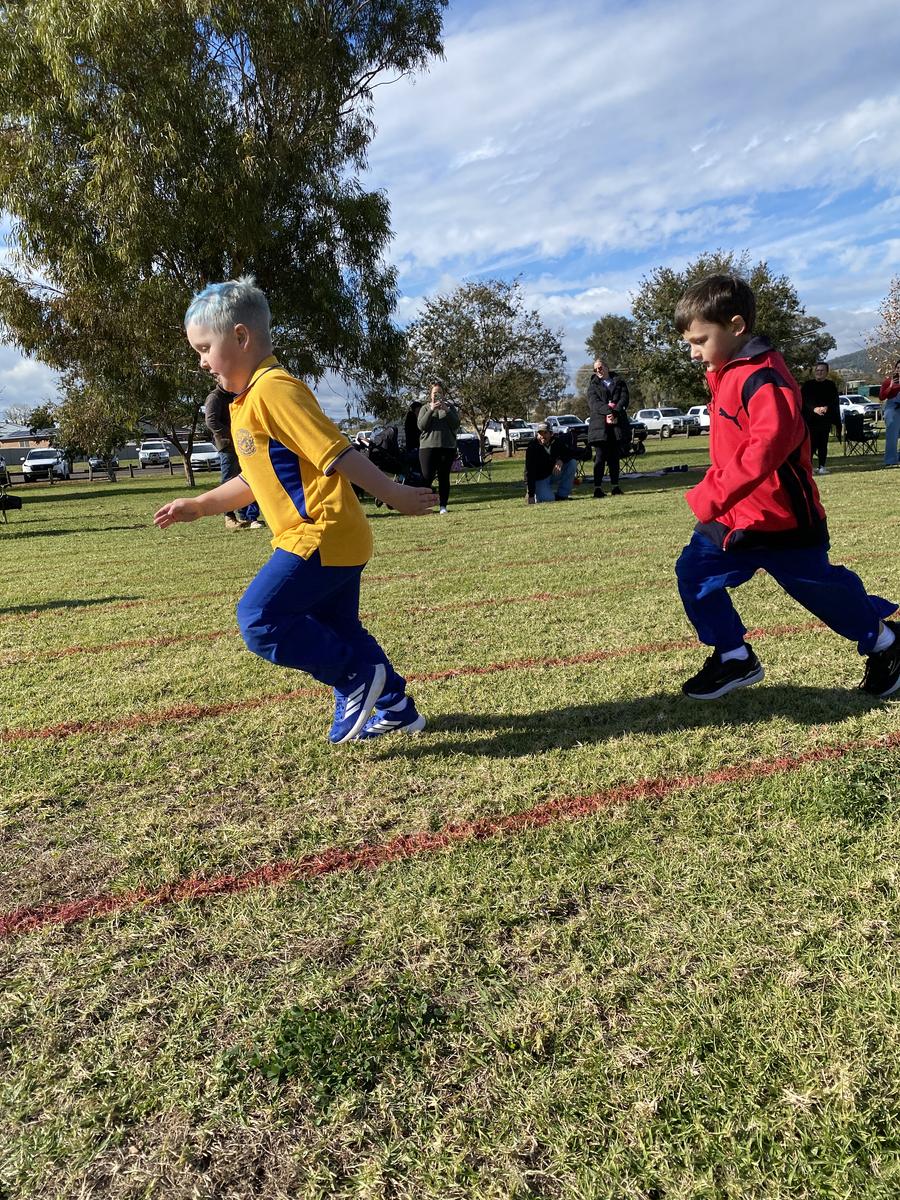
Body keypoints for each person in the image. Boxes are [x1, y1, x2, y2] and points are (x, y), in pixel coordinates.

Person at [155, 276, 437, 742]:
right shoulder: (246, 401)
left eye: (204, 348)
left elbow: (337, 452)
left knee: (259, 618)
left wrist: (394, 493)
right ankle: (397, 709)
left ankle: (354, 680)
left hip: (320, 533)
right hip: (333, 537)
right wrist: (201, 505)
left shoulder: (274, 390)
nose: (202, 362)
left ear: (241, 337)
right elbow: (254, 479)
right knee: (340, 629)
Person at [673, 273, 899, 700]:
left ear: (736, 326)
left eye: (700, 341)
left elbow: (768, 445)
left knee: (822, 592)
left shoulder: (764, 377)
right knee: (695, 572)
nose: (693, 352)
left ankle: (887, 643)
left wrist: (711, 492)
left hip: (782, 519)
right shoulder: (726, 372)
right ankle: (734, 655)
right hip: (735, 518)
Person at [204, 383, 264, 529]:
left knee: (249, 477)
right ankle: (229, 516)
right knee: (229, 480)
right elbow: (211, 421)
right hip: (228, 446)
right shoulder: (215, 397)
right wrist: (234, 433)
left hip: (244, 444)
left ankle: (249, 517)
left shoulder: (238, 394)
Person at [586, 356, 629, 497]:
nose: (598, 371)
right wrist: (608, 411)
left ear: (607, 368)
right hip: (599, 427)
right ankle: (597, 488)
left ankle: (615, 487)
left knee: (614, 458)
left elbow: (624, 399)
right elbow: (594, 403)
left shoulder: (619, 382)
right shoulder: (592, 386)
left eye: (600, 368)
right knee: (600, 458)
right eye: (595, 369)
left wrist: (615, 412)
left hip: (616, 426)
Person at [417, 383, 460, 515]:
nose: (437, 395)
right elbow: (421, 426)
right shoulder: (425, 408)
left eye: (439, 392)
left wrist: (447, 411)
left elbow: (456, 424)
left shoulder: (450, 408)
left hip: (447, 447)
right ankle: (423, 506)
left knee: (444, 477)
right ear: (430, 395)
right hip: (428, 448)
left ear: (444, 395)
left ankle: (443, 506)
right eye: (434, 393)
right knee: (427, 477)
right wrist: (431, 410)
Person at [800, 361, 841, 475]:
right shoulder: (808, 385)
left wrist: (826, 408)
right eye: (817, 370)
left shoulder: (830, 385)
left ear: (826, 372)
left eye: (822, 370)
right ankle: (809, 467)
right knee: (810, 444)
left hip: (824, 420)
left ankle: (822, 466)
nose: (819, 372)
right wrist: (814, 409)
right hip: (810, 420)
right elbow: (803, 401)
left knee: (823, 443)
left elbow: (834, 400)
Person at [524, 422, 577, 502]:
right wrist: (530, 493)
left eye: (545, 433)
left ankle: (562, 495)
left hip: (553, 474)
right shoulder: (532, 447)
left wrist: (561, 460)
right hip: (540, 479)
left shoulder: (557, 441)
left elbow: (570, 453)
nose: (542, 436)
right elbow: (529, 471)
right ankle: (536, 494)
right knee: (548, 499)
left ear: (551, 433)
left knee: (572, 463)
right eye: (540, 433)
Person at [880, 359, 900, 467]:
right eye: (898, 368)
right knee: (892, 436)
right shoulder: (888, 381)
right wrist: (890, 387)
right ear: (895, 369)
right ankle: (891, 460)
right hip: (892, 409)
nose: (899, 370)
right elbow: (882, 397)